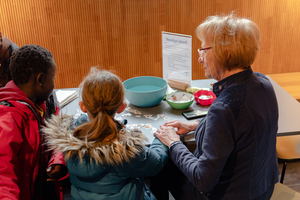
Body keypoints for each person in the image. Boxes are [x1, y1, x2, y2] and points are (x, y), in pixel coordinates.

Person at [151, 13, 279, 200]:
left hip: (230, 195)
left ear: (225, 52)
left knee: (161, 164)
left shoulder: (225, 107)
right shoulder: (263, 82)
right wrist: (195, 125)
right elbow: (238, 125)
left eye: (203, 50)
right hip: (262, 189)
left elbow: (203, 180)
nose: (200, 58)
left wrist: (173, 142)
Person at [42, 67, 169, 200]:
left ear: (82, 106)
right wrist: (162, 138)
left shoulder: (68, 141)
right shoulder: (126, 150)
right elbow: (156, 163)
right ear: (122, 107)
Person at [0, 44, 68, 200]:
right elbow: (2, 177)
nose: (54, 84)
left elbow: (57, 132)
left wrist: (57, 159)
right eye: (53, 78)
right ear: (41, 80)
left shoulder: (47, 102)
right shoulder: (7, 117)